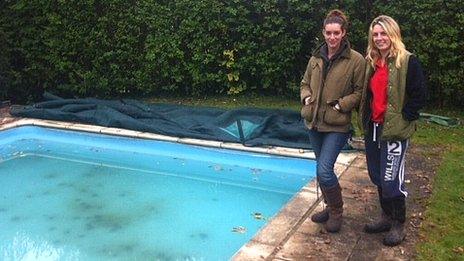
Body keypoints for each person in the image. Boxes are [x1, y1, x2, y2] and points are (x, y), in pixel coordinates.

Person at [359, 15, 426, 246]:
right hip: (374, 128)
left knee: (391, 180)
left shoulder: (407, 61)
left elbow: (419, 94)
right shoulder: (373, 61)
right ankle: (385, 217)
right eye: (375, 34)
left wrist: (404, 118)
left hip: (394, 131)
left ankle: (399, 224)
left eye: (383, 33)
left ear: (393, 34)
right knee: (376, 176)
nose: (379, 38)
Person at [300, 9, 365, 233]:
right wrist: (306, 97)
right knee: (321, 169)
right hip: (314, 123)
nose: (332, 37)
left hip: (337, 125)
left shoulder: (356, 60)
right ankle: (328, 208)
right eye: (328, 33)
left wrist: (341, 105)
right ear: (323, 33)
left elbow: (359, 92)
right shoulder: (315, 58)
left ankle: (337, 211)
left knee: (325, 169)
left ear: (344, 33)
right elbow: (304, 83)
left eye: (336, 33)